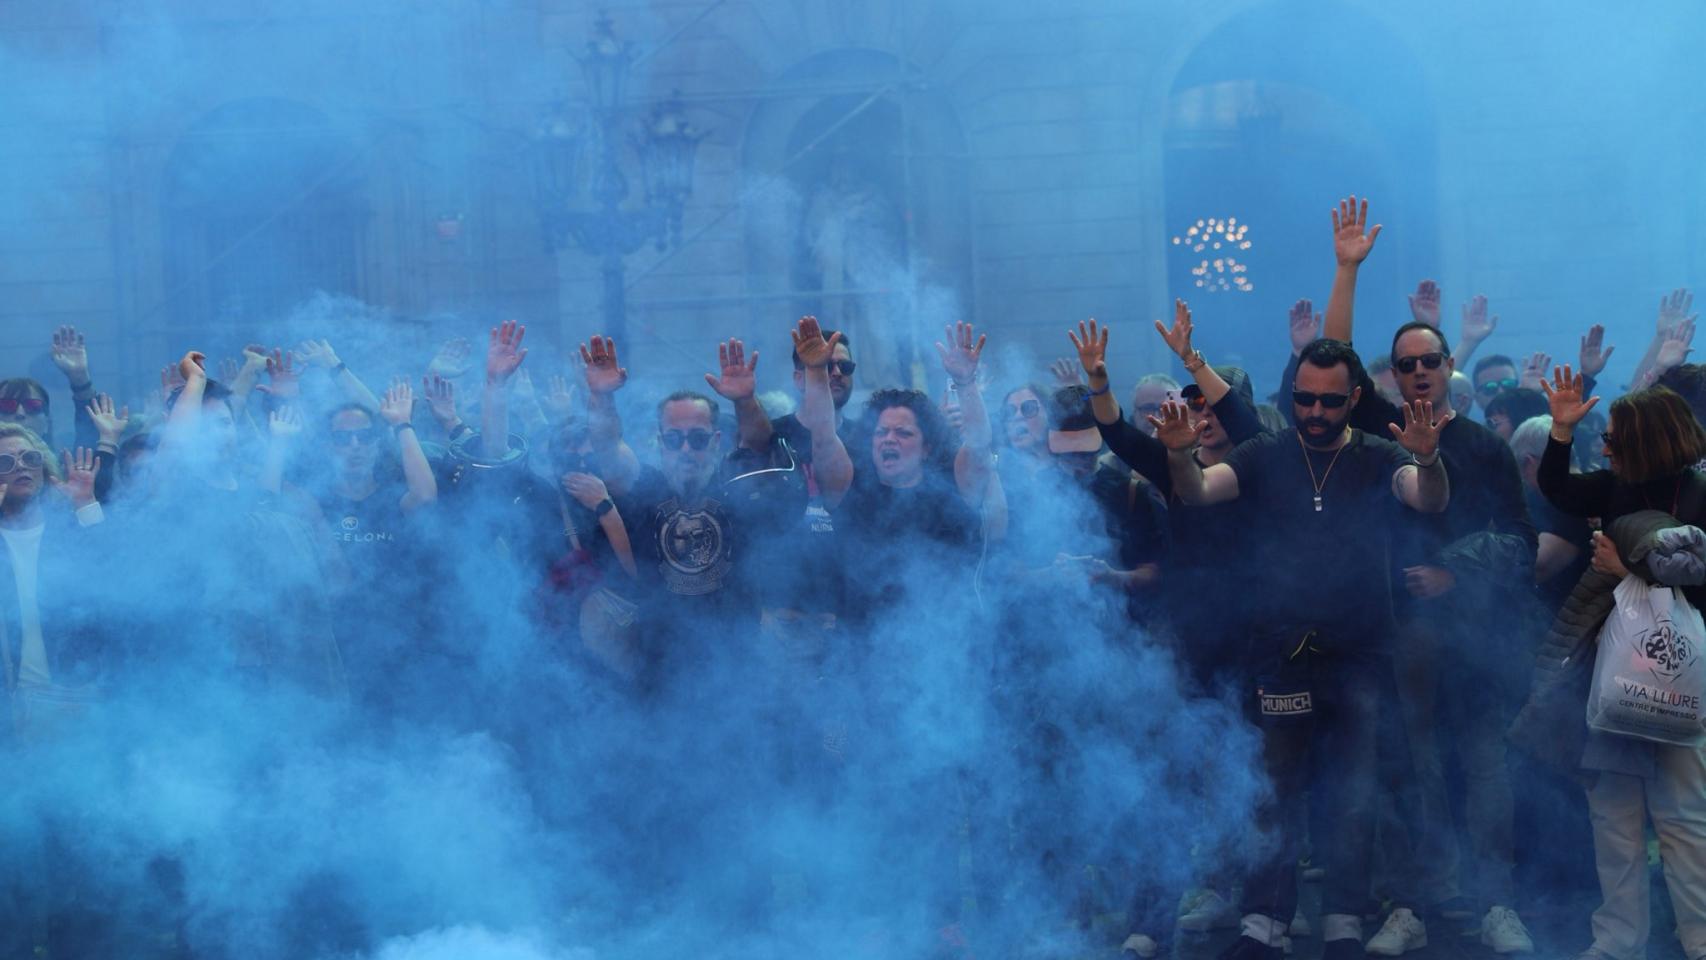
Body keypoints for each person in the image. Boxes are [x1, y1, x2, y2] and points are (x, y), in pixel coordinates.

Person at [1159, 332, 1450, 960]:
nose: (1316, 414)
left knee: (1352, 790)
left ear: (1354, 398)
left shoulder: (1377, 455)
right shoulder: (1264, 452)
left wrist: (1428, 459)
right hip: (1280, 650)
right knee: (1274, 789)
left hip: (1361, 652)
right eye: (1305, 400)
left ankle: (1344, 917)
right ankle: (1263, 922)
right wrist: (1182, 456)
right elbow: (1197, 491)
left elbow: (1428, 498)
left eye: (1330, 402)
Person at [1315, 194, 1537, 952]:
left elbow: (1519, 539)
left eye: (1428, 361)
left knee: (1483, 768)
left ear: (1449, 368)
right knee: (1408, 770)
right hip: (1397, 636)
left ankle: (1496, 903)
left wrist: (1454, 575)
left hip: (1475, 638)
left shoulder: (1483, 447)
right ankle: (1414, 902)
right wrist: (1347, 269)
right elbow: (1333, 360)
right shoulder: (1377, 431)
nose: (1415, 372)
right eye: (1404, 364)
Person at [1512, 371, 1706, 960]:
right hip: (1616, 676)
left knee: (1684, 816)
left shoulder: (1700, 494)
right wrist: (1562, 430)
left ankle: (1699, 939)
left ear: (1645, 439)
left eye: (1614, 437)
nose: (1607, 446)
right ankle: (1618, 941)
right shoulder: (1612, 488)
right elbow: (1557, 490)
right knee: (1614, 816)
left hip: (1685, 678)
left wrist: (1633, 572)